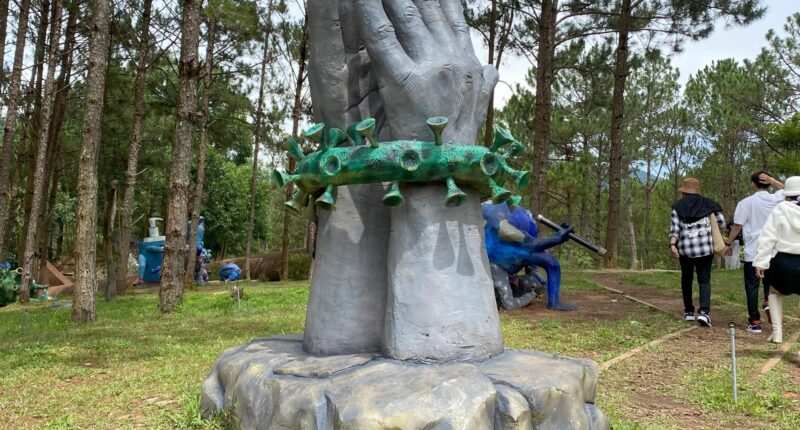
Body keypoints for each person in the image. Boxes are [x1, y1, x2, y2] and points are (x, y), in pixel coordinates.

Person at [723, 172, 784, 334]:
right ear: (768, 184)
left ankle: (755, 321)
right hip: (773, 251)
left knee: (751, 286)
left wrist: (728, 243)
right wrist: (773, 180)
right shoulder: (777, 198)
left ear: (753, 184)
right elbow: (790, 191)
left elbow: (737, 226)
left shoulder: (746, 203)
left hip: (753, 251)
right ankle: (767, 303)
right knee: (769, 286)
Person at [669, 178, 725, 327]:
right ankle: (704, 313)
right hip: (705, 249)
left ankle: (688, 311)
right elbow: (721, 222)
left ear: (684, 193)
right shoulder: (709, 204)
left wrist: (673, 244)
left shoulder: (678, 207)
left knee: (686, 279)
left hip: (685, 249)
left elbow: (675, 229)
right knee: (704, 280)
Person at [753, 176, 800, 345]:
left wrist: (761, 262)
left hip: (784, 261)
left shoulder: (780, 209)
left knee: (774, 293)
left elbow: (768, 237)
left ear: (786, 194)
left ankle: (777, 331)